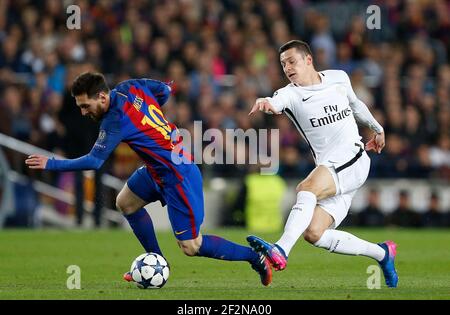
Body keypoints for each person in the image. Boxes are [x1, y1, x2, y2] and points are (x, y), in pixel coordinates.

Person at [25, 72, 272, 286]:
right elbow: (164, 90)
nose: (83, 112)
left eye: (85, 106)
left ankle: (254, 257)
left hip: (178, 176)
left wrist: (52, 163)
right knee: (125, 202)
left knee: (191, 246)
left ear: (102, 97)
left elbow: (94, 161)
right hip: (157, 169)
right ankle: (156, 261)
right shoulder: (131, 87)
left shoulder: (114, 120)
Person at [246, 40, 398, 288]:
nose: (288, 68)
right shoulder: (290, 94)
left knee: (306, 189)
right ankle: (382, 253)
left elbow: (356, 104)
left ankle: (281, 250)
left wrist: (377, 128)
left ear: (308, 60)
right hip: (332, 169)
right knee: (314, 233)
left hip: (353, 158)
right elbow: (276, 102)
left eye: (292, 61)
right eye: (283, 64)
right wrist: (266, 102)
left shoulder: (338, 78)